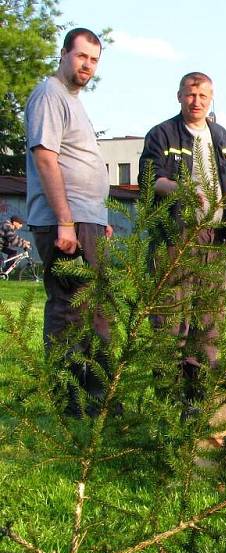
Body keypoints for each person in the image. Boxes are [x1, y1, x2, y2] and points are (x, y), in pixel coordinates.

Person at [139, 71, 226, 408]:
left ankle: (198, 398)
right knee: (172, 318)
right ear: (179, 96)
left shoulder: (220, 136)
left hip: (215, 239)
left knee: (209, 319)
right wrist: (181, 189)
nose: (196, 101)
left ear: (211, 98)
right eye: (190, 95)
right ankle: (169, 402)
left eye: (202, 96)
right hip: (176, 237)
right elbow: (149, 180)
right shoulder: (162, 134)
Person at [25, 27, 112, 409]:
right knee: (69, 308)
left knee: (94, 308)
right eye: (81, 57)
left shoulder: (73, 100)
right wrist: (65, 220)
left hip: (85, 220)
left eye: (94, 60)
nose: (87, 66)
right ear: (63, 54)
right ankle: (65, 397)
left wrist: (98, 216)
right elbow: (46, 157)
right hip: (66, 221)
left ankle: (94, 393)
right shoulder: (50, 95)